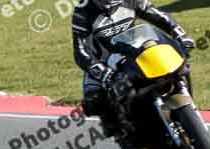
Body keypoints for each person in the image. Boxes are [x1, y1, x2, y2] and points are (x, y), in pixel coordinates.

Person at [72, 0, 194, 136]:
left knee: (175, 66)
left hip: (133, 50)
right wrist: (102, 72)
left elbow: (161, 17)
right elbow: (81, 52)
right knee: (93, 100)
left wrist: (181, 35)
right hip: (103, 61)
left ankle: (183, 100)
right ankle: (123, 133)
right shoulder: (82, 12)